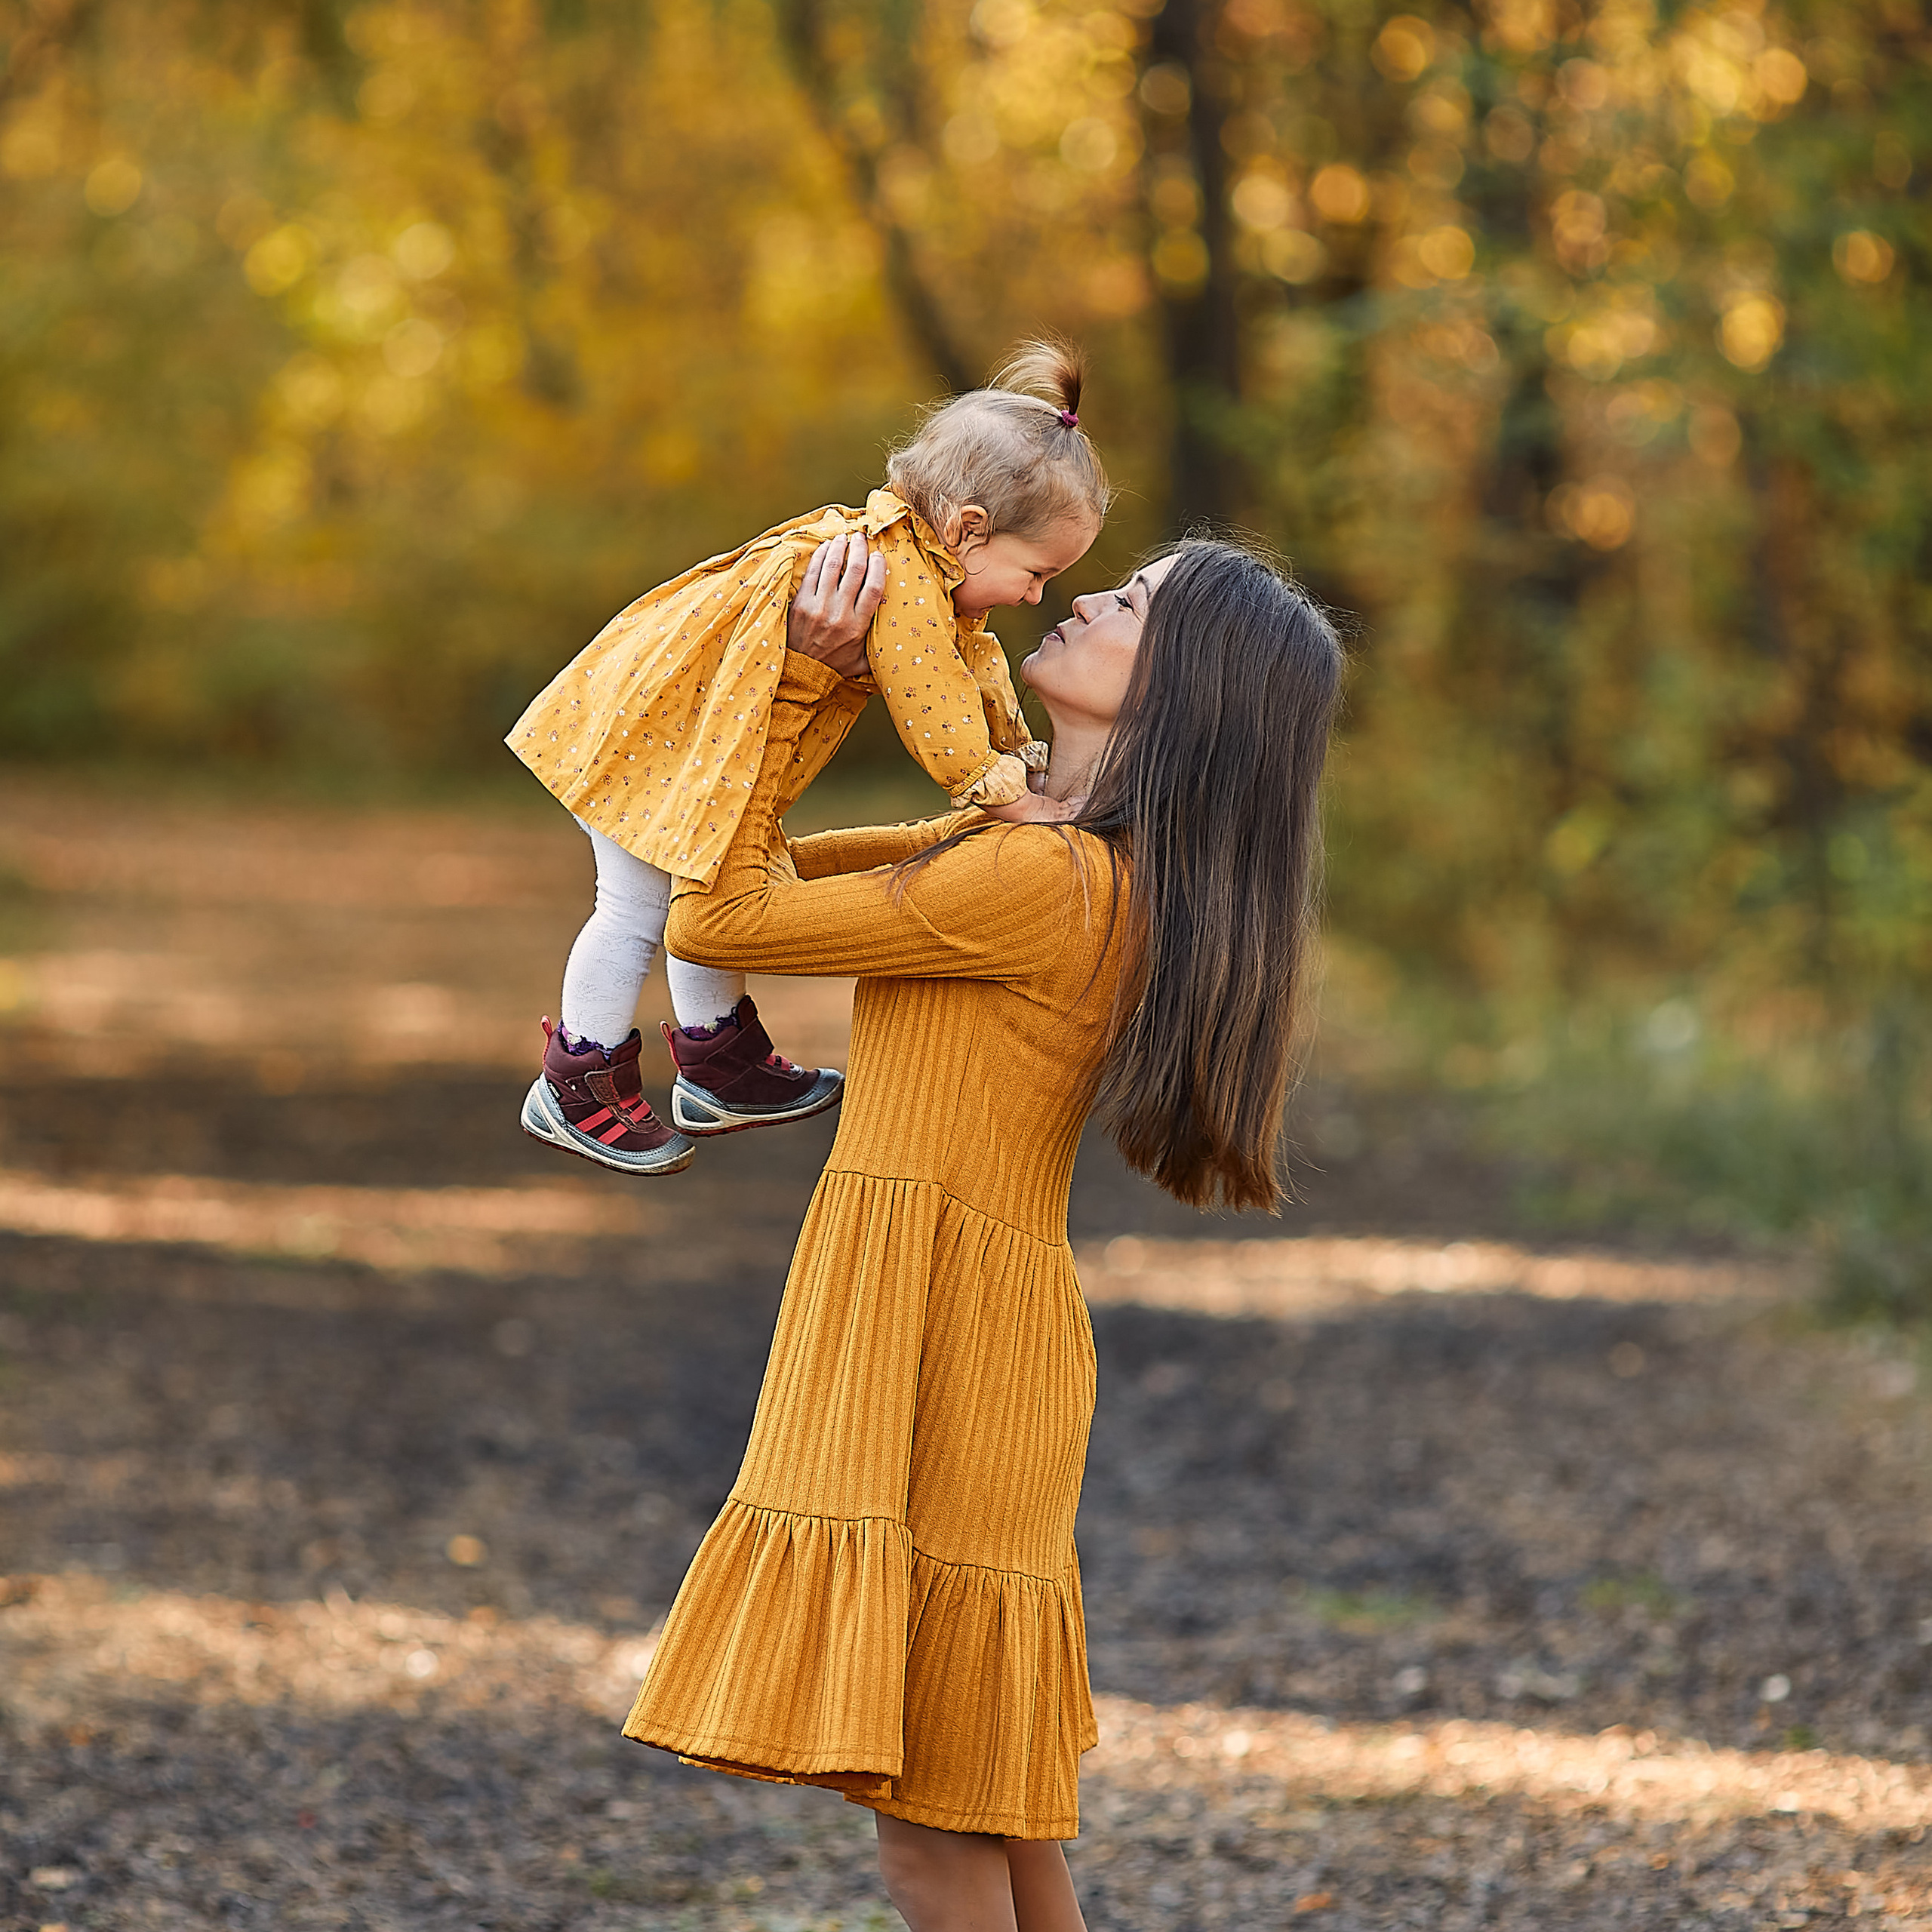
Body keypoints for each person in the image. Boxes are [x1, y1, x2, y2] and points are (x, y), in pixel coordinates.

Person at [620, 531, 1345, 1931]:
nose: (1085, 595)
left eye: (1129, 600)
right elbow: (766, 883)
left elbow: (720, 907)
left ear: (1182, 689)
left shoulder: (1041, 886)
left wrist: (797, 686)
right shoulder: (1046, 856)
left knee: (934, 1831)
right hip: (980, 1325)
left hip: (945, 1331)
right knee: (989, 1821)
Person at [505, 343, 1109, 1177]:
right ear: (969, 530)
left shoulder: (923, 572)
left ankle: (718, 1062)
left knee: (703, 872)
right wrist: (1006, 794)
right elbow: (937, 717)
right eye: (1036, 572)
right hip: (655, 739)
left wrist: (1017, 748)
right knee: (637, 904)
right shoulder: (892, 577)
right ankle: (576, 1080)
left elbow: (975, 667)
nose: (1038, 595)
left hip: (686, 742)